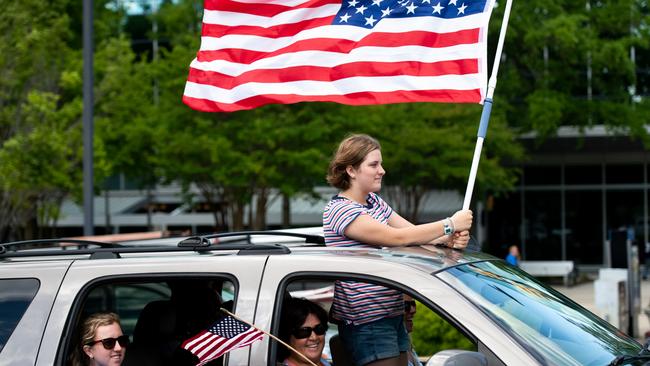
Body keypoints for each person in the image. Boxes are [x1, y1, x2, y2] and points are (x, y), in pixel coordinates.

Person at [323, 134, 473, 366]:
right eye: (373, 164)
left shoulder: (374, 201)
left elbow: (413, 233)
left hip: (392, 314)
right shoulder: (339, 209)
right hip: (367, 321)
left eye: (380, 163)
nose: (382, 170)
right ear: (351, 170)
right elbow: (396, 237)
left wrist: (448, 239)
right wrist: (450, 224)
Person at [278, 298, 331, 366]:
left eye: (319, 329)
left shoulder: (324, 362)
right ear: (286, 340)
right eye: (304, 331)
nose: (314, 337)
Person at [403, 296, 422, 366]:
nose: (413, 310)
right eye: (406, 305)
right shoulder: (389, 350)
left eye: (413, 304)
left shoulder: (408, 345)